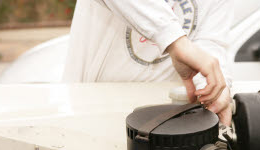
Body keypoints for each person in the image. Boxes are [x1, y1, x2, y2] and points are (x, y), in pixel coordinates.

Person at [63, 0, 234, 125]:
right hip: (90, 114)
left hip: (164, 122)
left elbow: (211, 42)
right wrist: (174, 40)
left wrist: (214, 91)